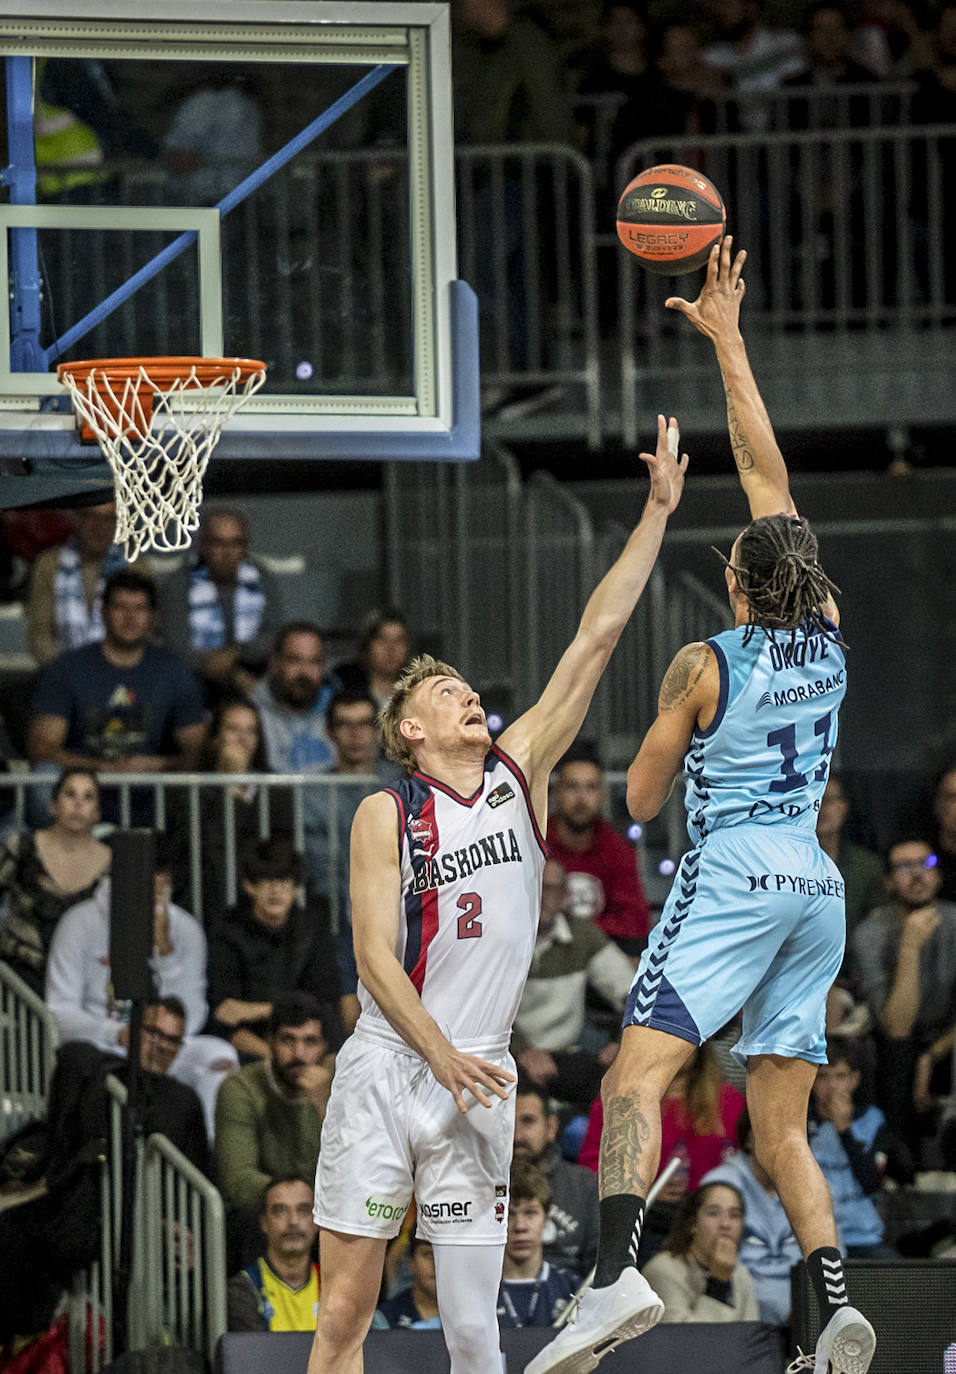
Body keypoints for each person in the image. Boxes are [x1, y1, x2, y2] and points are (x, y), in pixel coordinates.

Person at [527, 238, 873, 1374]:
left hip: (731, 868)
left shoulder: (700, 661)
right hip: (814, 885)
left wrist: (675, 751)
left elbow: (630, 799)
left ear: (734, 583)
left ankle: (611, 1274)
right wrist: (729, 342)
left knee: (637, 1071)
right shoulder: (821, 634)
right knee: (779, 1125)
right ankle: (830, 1312)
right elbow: (773, 488)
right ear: (800, 581)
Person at [307, 408, 688, 1374]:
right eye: (445, 693)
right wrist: (436, 1054)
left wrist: (654, 514)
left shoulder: (521, 772)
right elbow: (372, 962)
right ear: (410, 734)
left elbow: (595, 640)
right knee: (343, 1322)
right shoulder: (386, 814)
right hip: (396, 1067)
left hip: (478, 1075)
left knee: (475, 1331)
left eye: (469, 688)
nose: (468, 695)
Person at [44, 832, 237, 1136]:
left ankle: (206, 1163)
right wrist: (117, 1033)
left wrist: (166, 954)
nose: (152, 897)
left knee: (217, 1056)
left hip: (164, 1044)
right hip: (105, 1041)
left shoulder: (185, 928)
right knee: (82, 1058)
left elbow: (194, 1018)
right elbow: (58, 1010)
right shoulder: (79, 922)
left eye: (161, 890)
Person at [27, 569, 206, 824]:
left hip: (152, 794)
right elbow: (42, 749)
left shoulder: (174, 671)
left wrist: (157, 766)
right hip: (81, 795)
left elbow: (197, 751)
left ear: (154, 617)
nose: (130, 618)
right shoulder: (67, 668)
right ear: (103, 612)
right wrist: (102, 769)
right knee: (44, 779)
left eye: (140, 609)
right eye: (120, 607)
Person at [577, 1043, 744, 1262]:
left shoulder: (731, 1101)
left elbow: (746, 1173)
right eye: (668, 1036)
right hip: (641, 1224)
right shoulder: (617, 1098)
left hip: (709, 1230)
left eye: (685, 1036)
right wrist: (644, 1190)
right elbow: (590, 1171)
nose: (676, 1043)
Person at [849, 838, 956, 1153]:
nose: (918, 874)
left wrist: (932, 1054)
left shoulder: (954, 921)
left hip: (947, 1039)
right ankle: (897, 1164)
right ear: (889, 882)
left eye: (926, 864)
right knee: (896, 1055)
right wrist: (909, 947)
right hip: (893, 1046)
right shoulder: (871, 932)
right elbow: (896, 1028)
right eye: (905, 867)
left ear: (938, 874)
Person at [512, 860, 636, 1110]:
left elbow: (634, 992)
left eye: (550, 889)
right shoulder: (501, 936)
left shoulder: (581, 934)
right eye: (534, 886)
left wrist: (621, 1042)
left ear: (564, 897)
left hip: (566, 1059)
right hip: (510, 1056)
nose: (542, 896)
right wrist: (522, 1051)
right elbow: (482, 1008)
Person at [207, 837, 346, 1057]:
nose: (276, 891)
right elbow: (225, 1015)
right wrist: (280, 1060)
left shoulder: (312, 931)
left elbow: (325, 1005)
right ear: (249, 886)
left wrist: (255, 1010)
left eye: (284, 882)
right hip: (252, 1047)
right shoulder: (227, 932)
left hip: (306, 1042)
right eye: (266, 881)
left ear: (295, 887)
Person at [303, 688, 394, 1017]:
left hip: (397, 916)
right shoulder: (310, 793)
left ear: (379, 729)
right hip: (336, 920)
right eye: (344, 724)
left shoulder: (406, 785)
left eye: (364, 723)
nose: (355, 733)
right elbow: (318, 872)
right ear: (329, 732)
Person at [167, 695, 294, 928]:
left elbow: (280, 851)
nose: (242, 739)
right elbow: (197, 850)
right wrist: (232, 788)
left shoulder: (276, 792)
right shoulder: (188, 791)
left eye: (251, 731)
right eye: (233, 729)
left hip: (258, 904)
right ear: (216, 738)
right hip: (203, 903)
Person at [215, 993, 334, 1213]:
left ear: (324, 1047)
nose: (299, 1053)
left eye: (310, 1041)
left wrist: (325, 1108)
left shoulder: (340, 1086)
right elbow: (238, 1180)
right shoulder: (241, 1088)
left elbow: (357, 1174)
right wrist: (300, 1203)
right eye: (288, 1040)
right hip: (263, 1216)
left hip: (326, 1214)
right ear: (270, 1042)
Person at [0, 767, 111, 993]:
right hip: (18, 975)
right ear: (52, 806)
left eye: (88, 797)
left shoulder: (112, 864)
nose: (78, 804)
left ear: (97, 813)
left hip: (85, 980)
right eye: (70, 794)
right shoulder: (20, 847)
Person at [157, 506, 282, 704]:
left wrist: (236, 653)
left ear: (246, 547)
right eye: (218, 543)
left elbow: (274, 634)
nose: (227, 552)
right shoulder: (179, 583)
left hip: (253, 674)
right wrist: (233, 673)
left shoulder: (261, 578)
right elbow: (178, 647)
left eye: (236, 543)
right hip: (194, 680)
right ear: (202, 545)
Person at [545, 748, 652, 956]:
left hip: (600, 955)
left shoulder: (617, 848)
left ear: (602, 795)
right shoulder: (536, 843)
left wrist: (582, 936)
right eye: (572, 787)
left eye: (591, 787)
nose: (581, 798)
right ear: (556, 792)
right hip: (544, 955)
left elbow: (635, 922)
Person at [701, 1108, 802, 1325]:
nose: (779, 1144)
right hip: (744, 1307)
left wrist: (806, 1308)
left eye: (787, 1134)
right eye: (768, 1134)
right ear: (747, 1139)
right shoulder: (721, 1186)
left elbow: (834, 1257)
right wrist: (782, 1308)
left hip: (804, 1306)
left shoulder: (814, 1186)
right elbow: (710, 1261)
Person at [808, 1041, 900, 1257]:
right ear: (811, 1080)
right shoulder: (801, 1121)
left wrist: (845, 1130)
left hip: (863, 1236)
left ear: (854, 1080)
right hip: (815, 1235)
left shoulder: (872, 1119)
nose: (831, 1086)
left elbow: (871, 1183)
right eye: (823, 1077)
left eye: (840, 1076)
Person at [512, 1077, 600, 1280]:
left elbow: (599, 1263)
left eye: (528, 1121)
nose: (516, 1136)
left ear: (551, 1127)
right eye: (508, 1122)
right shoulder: (482, 1184)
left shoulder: (584, 1184)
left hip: (572, 1301)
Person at [25, 503, 128, 666]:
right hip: (61, 676)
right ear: (77, 519)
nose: (99, 526)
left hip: (121, 675)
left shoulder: (132, 566)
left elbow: (143, 631)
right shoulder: (50, 564)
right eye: (91, 516)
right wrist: (67, 676)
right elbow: (40, 633)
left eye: (109, 518)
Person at [641, 1182, 758, 1322]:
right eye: (713, 1213)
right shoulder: (663, 1270)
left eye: (735, 1215)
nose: (725, 1224)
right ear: (693, 1224)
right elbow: (690, 1340)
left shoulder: (740, 1273)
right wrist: (718, 1282)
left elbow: (752, 1336)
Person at [227, 1176, 320, 1332]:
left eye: (303, 1211)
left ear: (317, 1221)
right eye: (281, 1212)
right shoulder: (243, 1289)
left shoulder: (334, 1285)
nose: (293, 1221)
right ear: (264, 1223)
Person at [251, 622, 342, 776]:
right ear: (275, 662)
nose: (304, 672)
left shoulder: (342, 712)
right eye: (294, 660)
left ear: (324, 666)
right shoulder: (252, 713)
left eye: (314, 661)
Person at [497, 1160, 577, 1329]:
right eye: (509, 1214)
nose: (520, 1226)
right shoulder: (477, 1291)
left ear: (547, 1218)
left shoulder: (572, 1290)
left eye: (530, 1213)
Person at [815, 773, 884, 944]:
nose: (822, 808)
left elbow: (877, 928)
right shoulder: (785, 862)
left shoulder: (868, 866)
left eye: (829, 800)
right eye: (815, 800)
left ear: (844, 807)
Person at [335, 609, 413, 712]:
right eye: (382, 639)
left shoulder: (418, 694)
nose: (391, 648)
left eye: (399, 640)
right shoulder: (343, 689)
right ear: (368, 645)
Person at [375, 1235, 442, 1329]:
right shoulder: (384, 1318)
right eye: (428, 1254)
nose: (436, 1263)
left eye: (445, 1256)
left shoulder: (468, 1313)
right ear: (411, 1262)